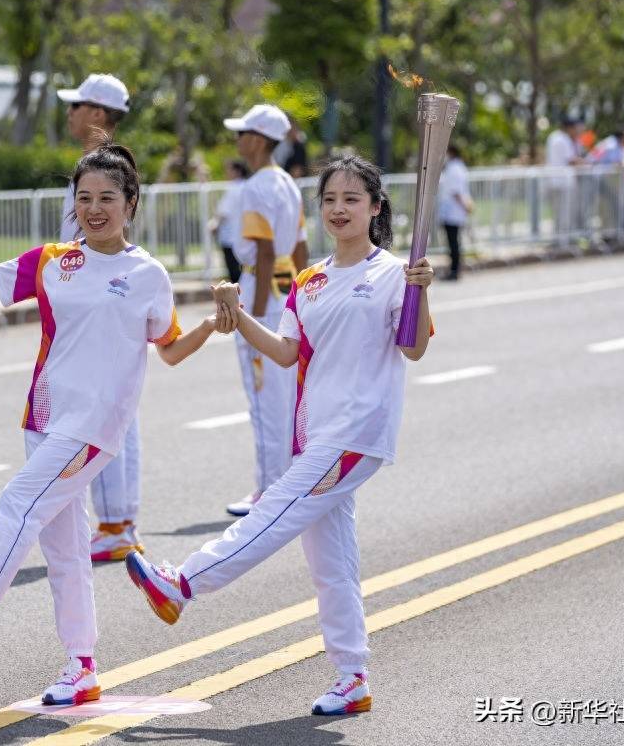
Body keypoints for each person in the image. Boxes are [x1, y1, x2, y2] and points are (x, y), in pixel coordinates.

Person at [0, 140, 225, 705]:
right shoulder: (55, 261)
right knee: (66, 551)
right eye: (84, 198)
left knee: (16, 504)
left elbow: (168, 349)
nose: (94, 208)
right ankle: (82, 665)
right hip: (44, 417)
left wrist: (214, 326)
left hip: (95, 427)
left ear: (131, 202)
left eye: (107, 197)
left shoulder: (146, 273)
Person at [125, 154, 435, 717]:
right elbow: (290, 353)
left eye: (353, 199)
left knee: (271, 511)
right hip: (318, 433)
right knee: (332, 563)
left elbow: (413, 347)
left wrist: (420, 291)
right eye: (331, 200)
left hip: (355, 432)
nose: (339, 210)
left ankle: (184, 582)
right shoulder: (311, 280)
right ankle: (352, 676)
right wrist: (238, 316)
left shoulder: (393, 273)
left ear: (376, 207)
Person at [57, 74, 147, 562]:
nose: (68, 114)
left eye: (75, 106)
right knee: (117, 415)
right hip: (101, 306)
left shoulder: (104, 172)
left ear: (95, 113)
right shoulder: (106, 168)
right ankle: (119, 520)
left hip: (101, 308)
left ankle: (116, 523)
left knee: (107, 415)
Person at [221, 104, 309, 517]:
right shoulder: (289, 185)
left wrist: (248, 319)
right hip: (287, 290)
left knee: (264, 402)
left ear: (257, 139)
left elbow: (264, 247)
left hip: (262, 290)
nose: (237, 141)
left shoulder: (256, 187)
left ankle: (268, 491)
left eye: (242, 134)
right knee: (285, 398)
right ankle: (286, 483)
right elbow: (302, 247)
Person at [206, 159, 249, 283]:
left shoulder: (233, 188)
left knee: (235, 275)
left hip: (230, 237)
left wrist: (214, 225)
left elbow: (222, 212)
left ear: (237, 171)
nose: (226, 173)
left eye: (229, 170)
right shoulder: (247, 186)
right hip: (245, 236)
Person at [544, 115, 585, 242]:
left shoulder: (553, 136)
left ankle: (558, 240)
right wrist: (585, 162)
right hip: (563, 182)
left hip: (554, 181)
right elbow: (571, 160)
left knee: (558, 214)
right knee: (564, 214)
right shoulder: (563, 139)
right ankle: (563, 242)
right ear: (569, 128)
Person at [436, 145, 473, 280]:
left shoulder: (454, 169)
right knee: (454, 243)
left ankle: (454, 271)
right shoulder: (457, 167)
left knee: (453, 243)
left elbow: (456, 192)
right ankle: (454, 269)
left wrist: (466, 206)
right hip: (452, 211)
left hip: (453, 212)